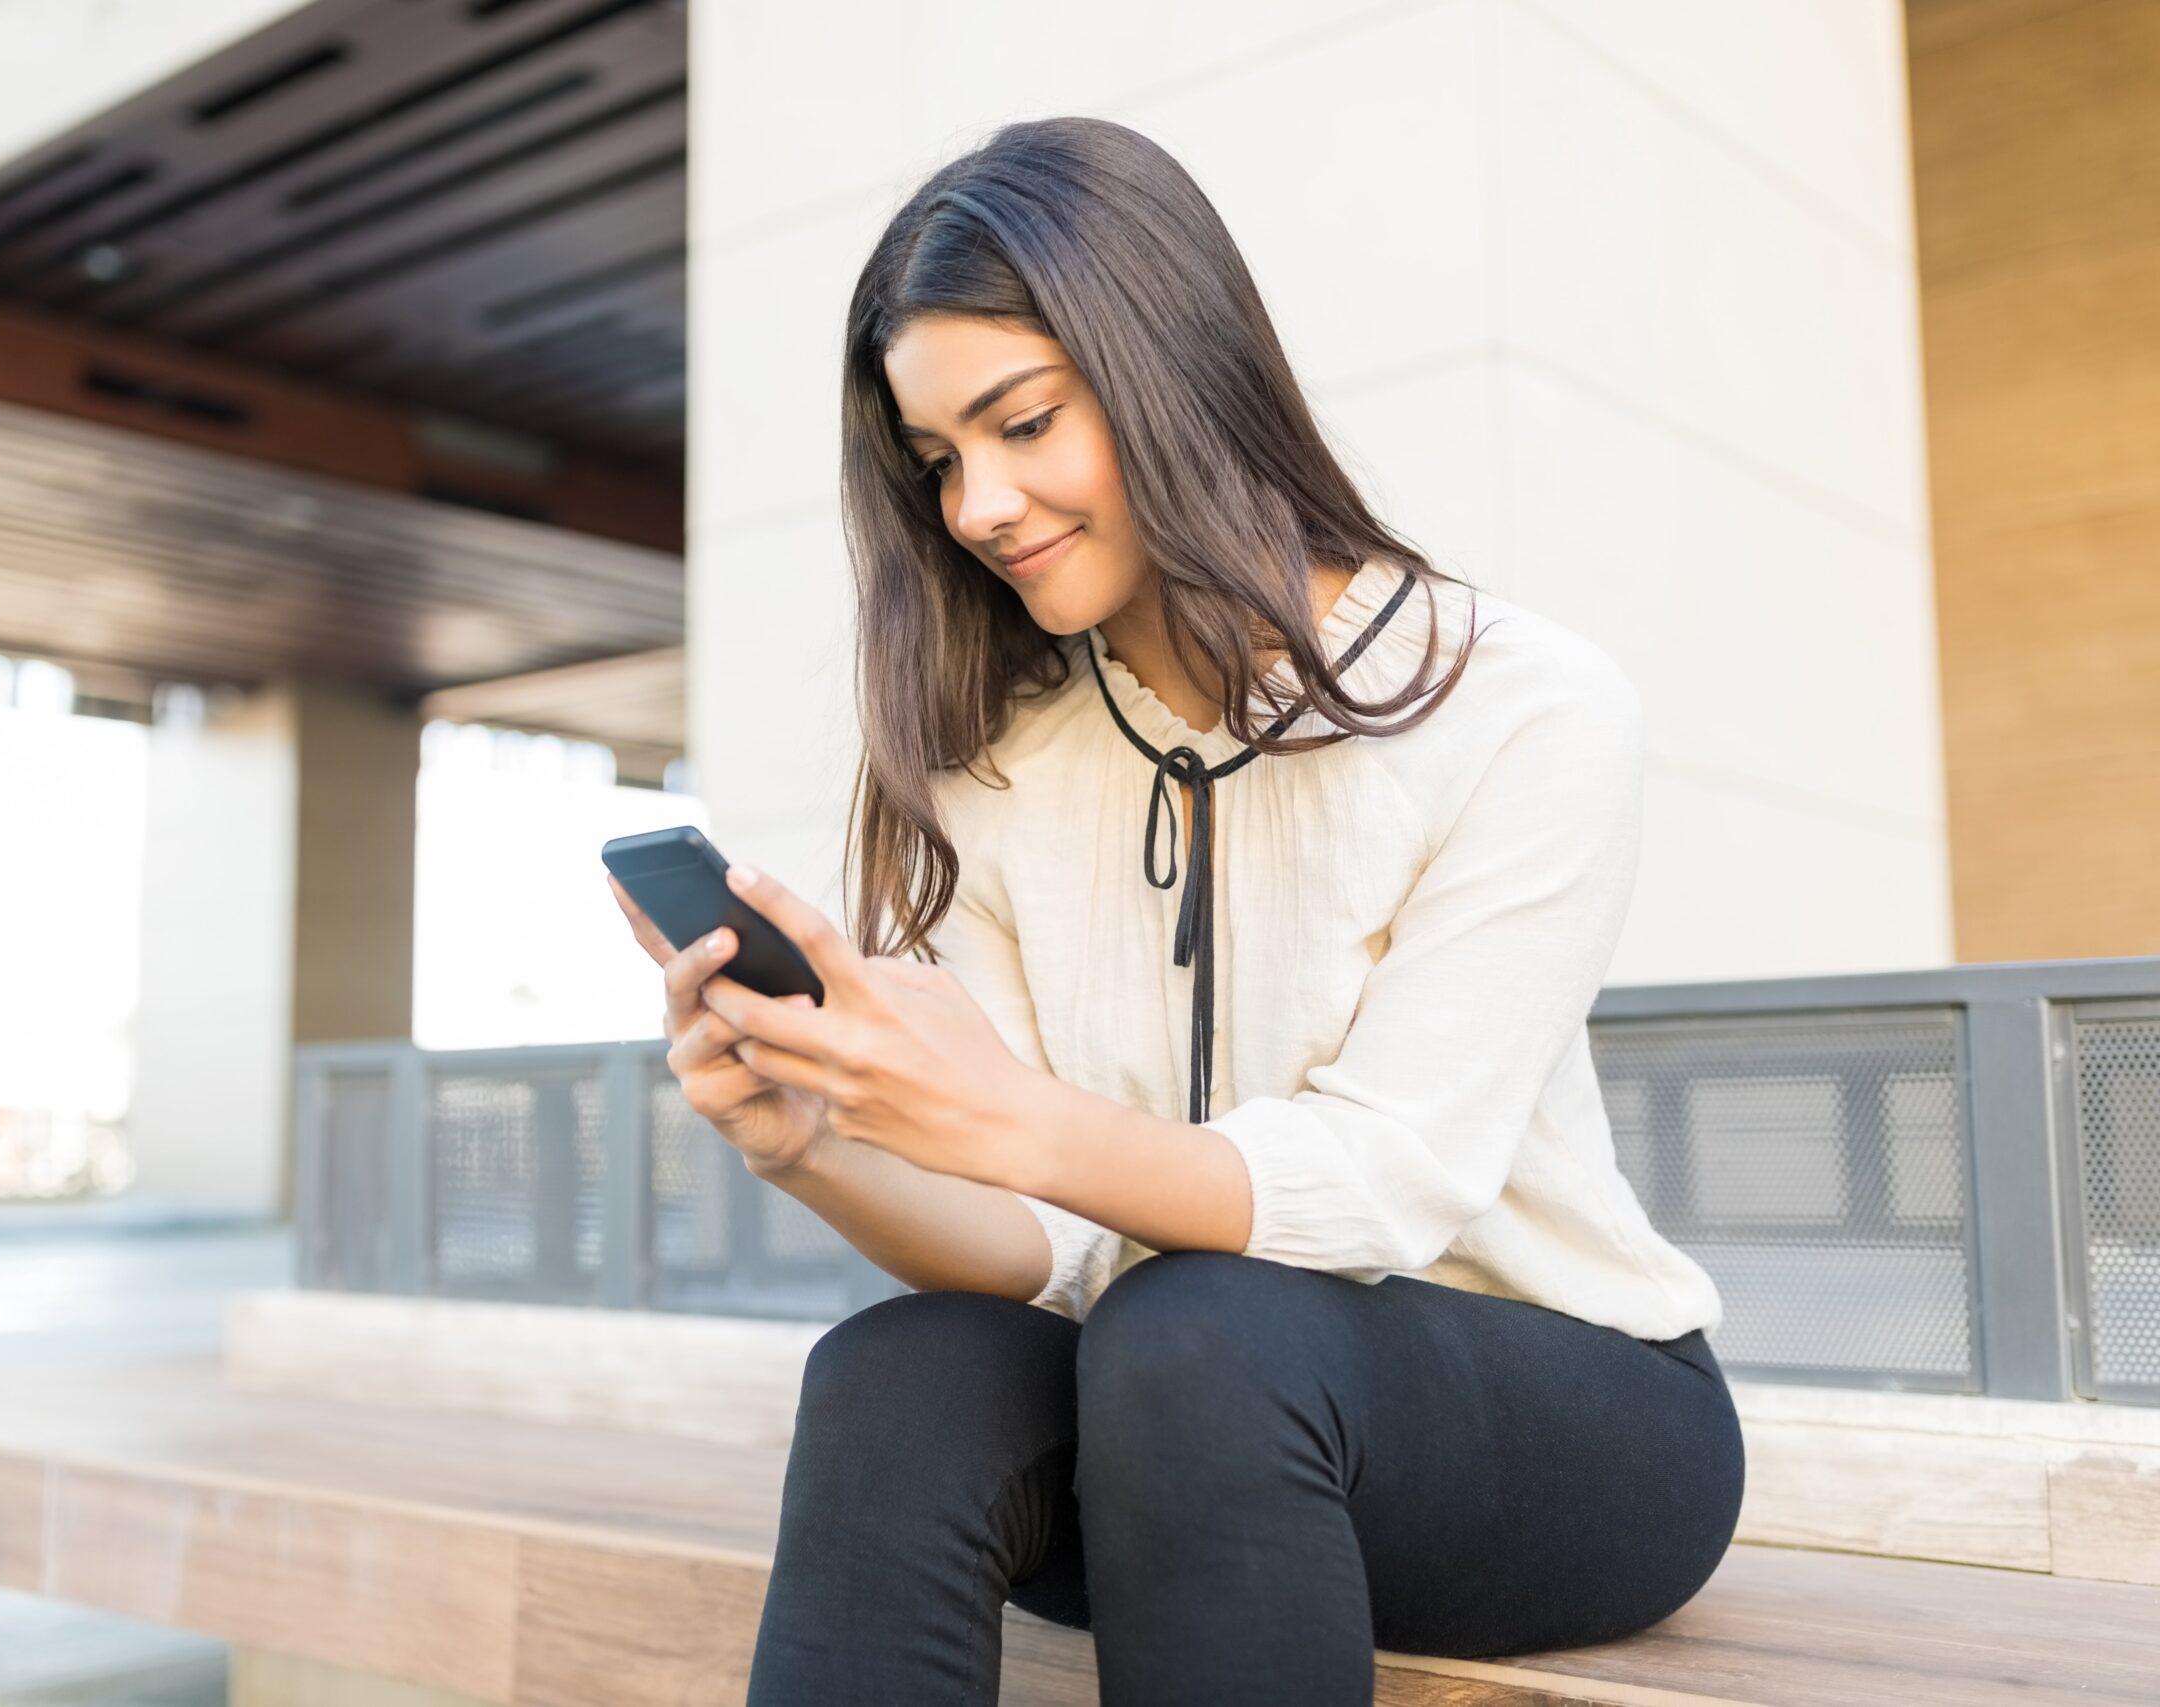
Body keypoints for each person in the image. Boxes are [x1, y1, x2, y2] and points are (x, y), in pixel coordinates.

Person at [606, 115, 1742, 1707]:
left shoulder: (1520, 705)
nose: (979, 505)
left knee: (1201, 1331)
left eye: (1022, 424)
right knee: (899, 1368)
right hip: (1184, 1423)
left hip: (1566, 1422)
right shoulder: (1005, 767)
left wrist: (1000, 1112)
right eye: (939, 460)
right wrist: (817, 1147)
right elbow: (1046, 1245)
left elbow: (1388, 1180)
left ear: (1169, 366)